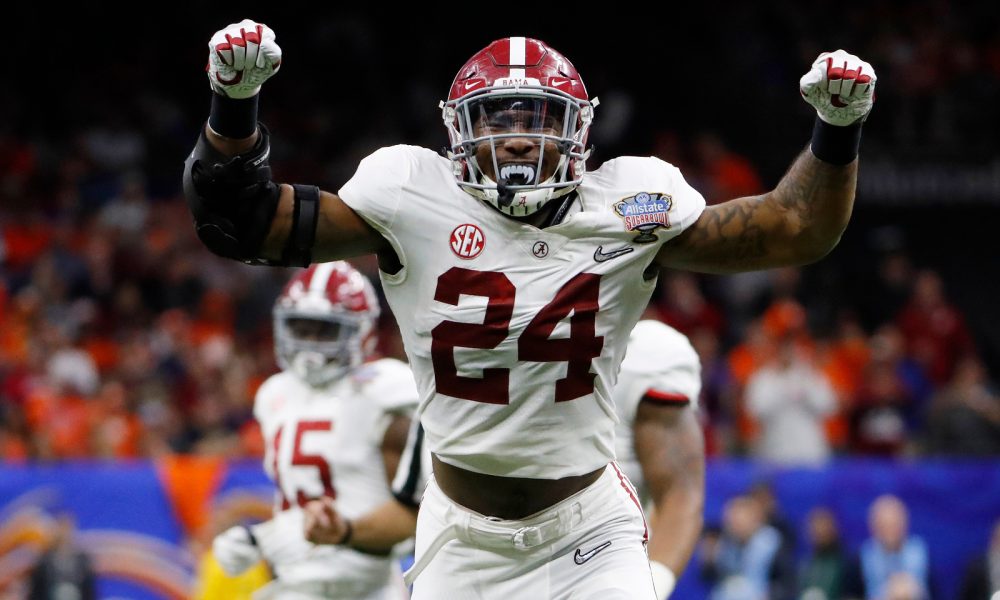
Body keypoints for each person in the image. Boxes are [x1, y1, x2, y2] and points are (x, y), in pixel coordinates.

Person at [184, 19, 876, 599]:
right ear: (459, 128)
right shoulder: (409, 196)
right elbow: (241, 226)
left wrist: (836, 129)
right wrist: (232, 107)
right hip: (459, 535)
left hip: (588, 528)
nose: (516, 137)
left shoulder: (631, 205)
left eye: (538, 117)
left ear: (578, 130)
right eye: (496, 117)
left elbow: (794, 228)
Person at [304, 319, 705, 599]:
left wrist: (654, 577)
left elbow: (681, 492)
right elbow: (411, 509)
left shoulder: (643, 353)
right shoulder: (455, 356)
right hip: (470, 561)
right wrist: (346, 530)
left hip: (589, 553)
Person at [211, 261, 418, 599]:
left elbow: (413, 513)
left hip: (367, 586)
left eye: (324, 330)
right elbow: (305, 498)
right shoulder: (275, 394)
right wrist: (262, 539)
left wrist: (343, 533)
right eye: (301, 328)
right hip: (295, 584)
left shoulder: (385, 391)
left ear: (362, 330)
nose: (310, 343)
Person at [844, 495, 931, 600]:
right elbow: (850, 595)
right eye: (884, 525)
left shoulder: (920, 553)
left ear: (904, 524)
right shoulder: (861, 558)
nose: (890, 531)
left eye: (894, 524)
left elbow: (934, 593)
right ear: (874, 527)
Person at [27, 512, 97, 600]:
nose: (64, 532)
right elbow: (35, 591)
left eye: (67, 528)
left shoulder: (82, 560)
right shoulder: (44, 561)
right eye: (61, 528)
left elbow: (89, 590)